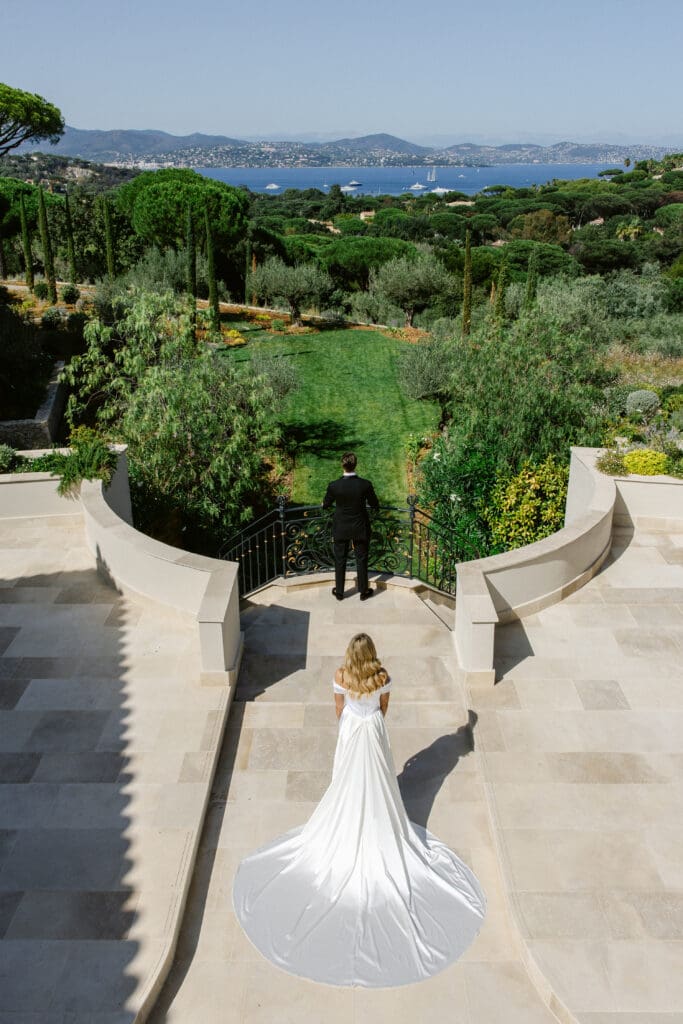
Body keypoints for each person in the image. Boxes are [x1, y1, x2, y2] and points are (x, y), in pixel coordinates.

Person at [232, 633, 486, 988]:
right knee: (379, 779)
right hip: (373, 732)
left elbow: (339, 709)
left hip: (352, 731)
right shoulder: (383, 678)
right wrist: (371, 722)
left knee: (347, 780)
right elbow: (384, 709)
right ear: (372, 655)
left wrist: (351, 724)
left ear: (350, 656)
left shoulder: (341, 676)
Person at [322, 452, 379, 601]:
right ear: (355, 464)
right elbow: (375, 504)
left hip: (341, 527)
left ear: (342, 464)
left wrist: (326, 503)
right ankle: (363, 591)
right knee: (362, 558)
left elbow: (325, 504)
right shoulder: (365, 484)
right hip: (360, 527)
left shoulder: (334, 486)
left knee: (340, 559)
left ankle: (340, 592)